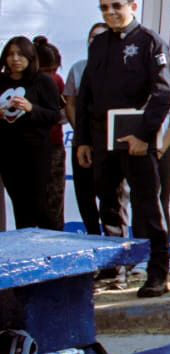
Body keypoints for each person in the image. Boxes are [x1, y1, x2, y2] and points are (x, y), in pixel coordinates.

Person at [74, 0, 170, 298]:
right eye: (105, 8)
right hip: (101, 141)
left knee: (148, 208)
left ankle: (157, 275)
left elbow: (164, 92)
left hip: (137, 142)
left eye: (116, 6)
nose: (111, 12)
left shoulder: (150, 41)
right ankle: (114, 271)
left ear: (132, 6)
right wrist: (83, 140)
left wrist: (144, 135)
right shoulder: (99, 43)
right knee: (109, 207)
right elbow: (86, 94)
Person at [0, 36, 64, 229]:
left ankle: (53, 240)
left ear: (30, 56)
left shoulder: (43, 81)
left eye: (20, 54)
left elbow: (54, 115)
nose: (15, 59)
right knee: (19, 204)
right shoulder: (1, 81)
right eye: (10, 54)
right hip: (7, 151)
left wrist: (31, 108)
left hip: (35, 151)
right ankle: (24, 242)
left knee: (39, 204)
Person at [63, 22, 110, 236]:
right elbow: (70, 104)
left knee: (109, 193)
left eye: (101, 36)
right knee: (84, 193)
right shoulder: (78, 68)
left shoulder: (119, 69)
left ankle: (112, 240)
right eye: (92, 37)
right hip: (82, 140)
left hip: (108, 142)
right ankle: (92, 235)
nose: (95, 41)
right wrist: (81, 132)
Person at [31, 36, 66, 230]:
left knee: (54, 199)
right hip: (28, 147)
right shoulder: (25, 84)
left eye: (54, 70)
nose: (50, 75)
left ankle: (56, 236)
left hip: (54, 145)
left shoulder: (57, 81)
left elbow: (63, 113)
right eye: (45, 71)